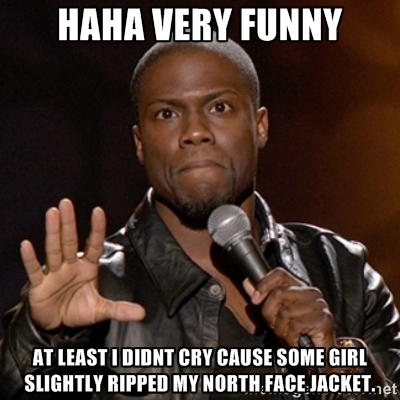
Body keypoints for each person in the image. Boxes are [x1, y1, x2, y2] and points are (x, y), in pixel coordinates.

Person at [1, 38, 400, 400]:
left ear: (260, 126)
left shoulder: (344, 274)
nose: (194, 131)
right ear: (139, 144)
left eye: (219, 107)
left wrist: (337, 366)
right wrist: (43, 340)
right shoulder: (92, 289)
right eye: (167, 113)